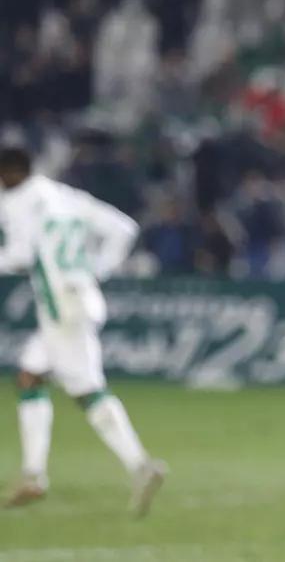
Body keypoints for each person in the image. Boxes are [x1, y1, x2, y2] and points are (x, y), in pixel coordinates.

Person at [1, 146, 167, 516]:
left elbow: (21, 255)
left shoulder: (18, 202)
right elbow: (124, 228)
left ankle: (141, 465)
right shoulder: (66, 196)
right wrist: (96, 270)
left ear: (10, 173)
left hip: (61, 307)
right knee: (29, 376)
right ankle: (33, 474)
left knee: (87, 390)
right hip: (79, 298)